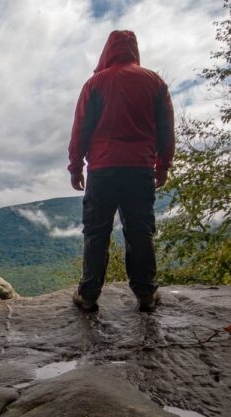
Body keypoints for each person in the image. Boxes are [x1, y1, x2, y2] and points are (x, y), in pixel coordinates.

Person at [67, 30, 174, 312]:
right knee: (140, 231)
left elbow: (81, 129)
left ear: (108, 51)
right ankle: (146, 295)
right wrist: (163, 165)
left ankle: (88, 295)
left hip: (103, 170)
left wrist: (76, 166)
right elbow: (166, 130)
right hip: (140, 169)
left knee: (96, 233)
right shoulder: (155, 82)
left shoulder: (96, 83)